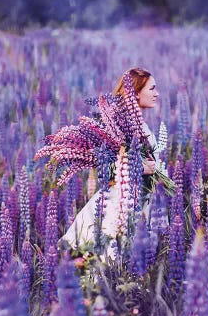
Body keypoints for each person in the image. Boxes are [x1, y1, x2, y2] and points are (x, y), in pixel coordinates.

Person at [59, 67, 165, 265]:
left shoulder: (139, 123)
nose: (156, 93)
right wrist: (141, 168)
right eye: (152, 89)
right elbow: (105, 167)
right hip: (119, 202)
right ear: (135, 92)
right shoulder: (117, 122)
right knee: (103, 259)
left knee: (130, 261)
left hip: (140, 199)